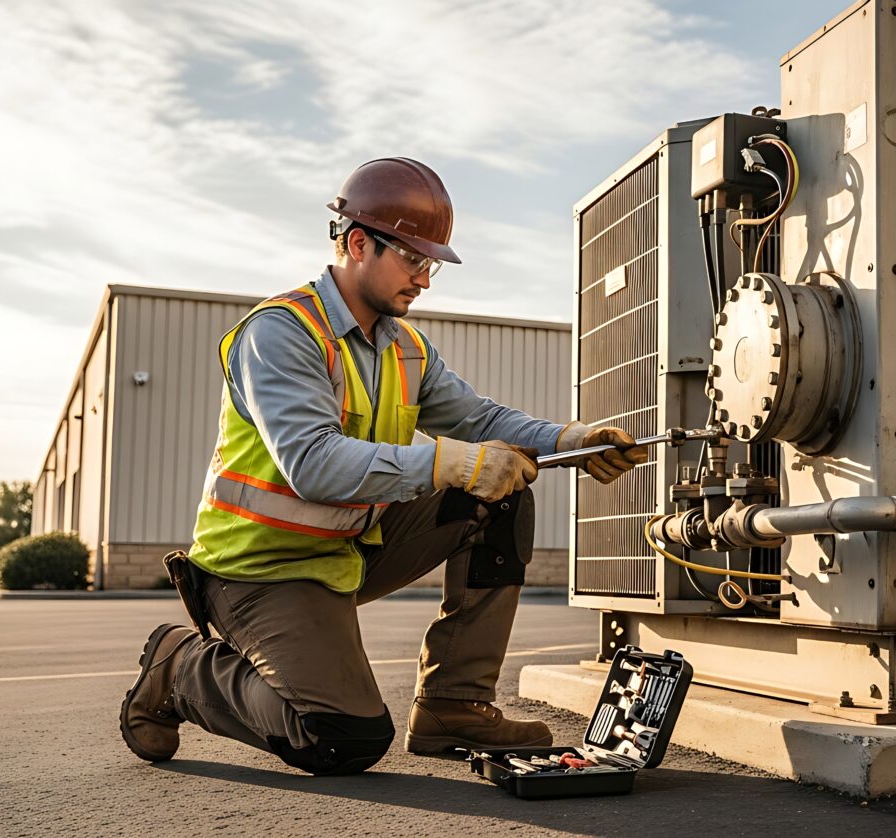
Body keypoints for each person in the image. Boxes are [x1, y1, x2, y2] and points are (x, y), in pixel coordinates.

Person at [117, 157, 645, 775]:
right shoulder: (281, 333)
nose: (424, 279)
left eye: (431, 265)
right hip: (259, 571)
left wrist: (571, 439)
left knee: (500, 492)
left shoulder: (406, 347)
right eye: (413, 260)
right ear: (358, 243)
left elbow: (478, 421)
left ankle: (454, 705)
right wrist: (451, 463)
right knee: (341, 738)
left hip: (346, 551)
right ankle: (179, 668)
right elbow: (311, 464)